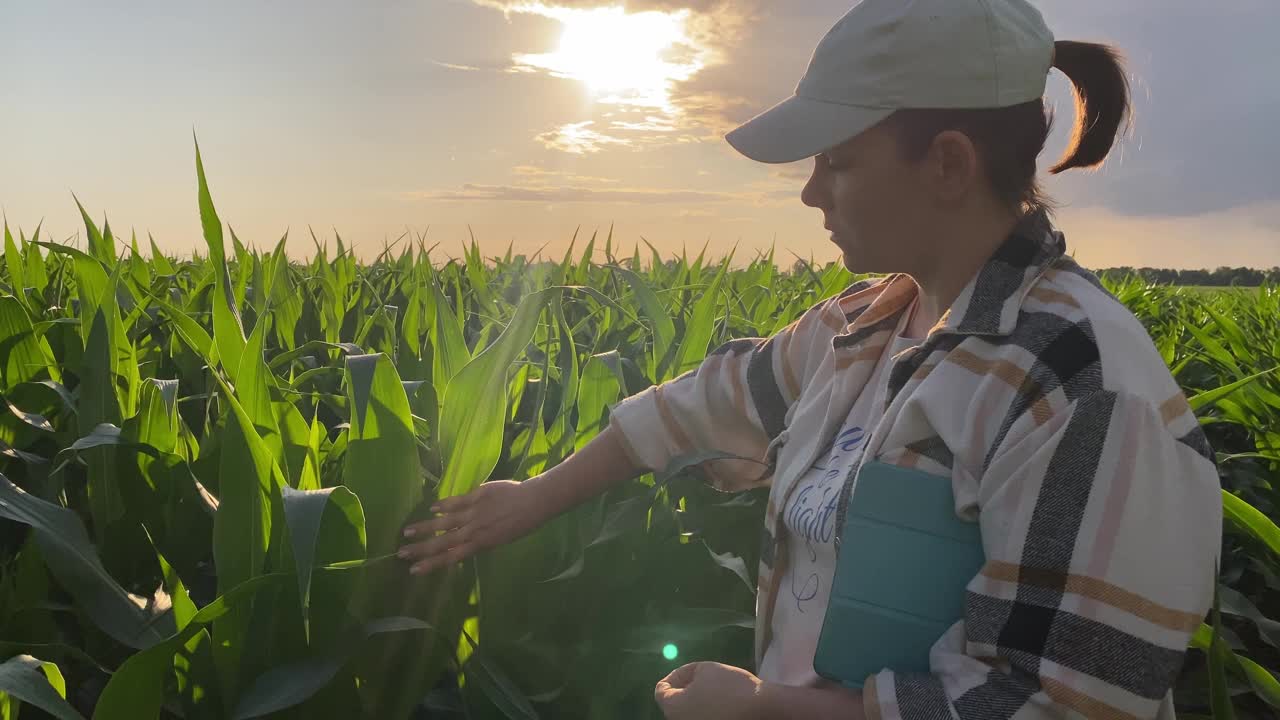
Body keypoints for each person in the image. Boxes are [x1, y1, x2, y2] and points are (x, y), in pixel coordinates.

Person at [399, 0, 1224, 717]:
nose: (810, 192)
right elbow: (703, 402)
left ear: (947, 164)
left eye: (839, 159)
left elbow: (1063, 704)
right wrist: (535, 498)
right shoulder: (865, 325)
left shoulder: (1078, 386)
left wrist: (767, 710)